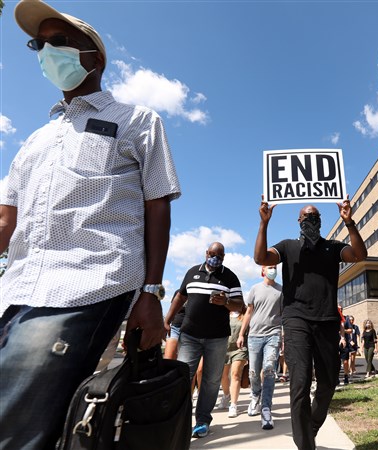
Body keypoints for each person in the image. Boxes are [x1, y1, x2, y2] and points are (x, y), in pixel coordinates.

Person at [0, 2, 181, 448]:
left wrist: (151, 294)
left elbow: (157, 204)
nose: (45, 52)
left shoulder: (136, 122)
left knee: (18, 424)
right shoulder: (34, 140)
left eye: (58, 42)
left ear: (94, 57)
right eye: (37, 45)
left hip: (90, 282)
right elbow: (7, 216)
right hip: (17, 291)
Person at [254, 199, 367, 450]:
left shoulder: (333, 247)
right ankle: (306, 444)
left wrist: (349, 222)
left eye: (314, 216)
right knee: (300, 382)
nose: (310, 220)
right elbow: (261, 257)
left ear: (321, 221)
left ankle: (311, 426)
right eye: (306, 216)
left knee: (328, 384)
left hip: (326, 322)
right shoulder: (287, 246)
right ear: (298, 221)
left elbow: (359, 255)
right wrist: (264, 223)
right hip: (296, 321)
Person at [164, 242, 244, 439]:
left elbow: (240, 306)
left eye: (219, 255)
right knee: (184, 376)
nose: (215, 257)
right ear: (206, 253)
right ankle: (179, 418)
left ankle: (202, 421)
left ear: (224, 257)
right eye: (212, 254)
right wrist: (167, 319)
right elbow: (180, 298)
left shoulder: (230, 277)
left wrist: (226, 301)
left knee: (210, 381)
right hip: (190, 335)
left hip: (217, 338)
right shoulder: (192, 272)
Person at [237, 265, 283, 430]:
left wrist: (282, 336)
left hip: (273, 334)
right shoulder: (255, 289)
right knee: (254, 373)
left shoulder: (281, 290)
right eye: (270, 267)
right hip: (254, 336)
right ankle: (255, 395)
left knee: (270, 369)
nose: (273, 269)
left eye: (275, 267)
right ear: (263, 271)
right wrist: (241, 334)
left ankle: (266, 408)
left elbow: (283, 315)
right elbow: (248, 312)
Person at [218, 308, 249, 419]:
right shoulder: (223, 313)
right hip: (224, 348)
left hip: (240, 349)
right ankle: (227, 395)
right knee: (222, 376)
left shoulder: (246, 314)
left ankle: (233, 405)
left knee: (235, 374)